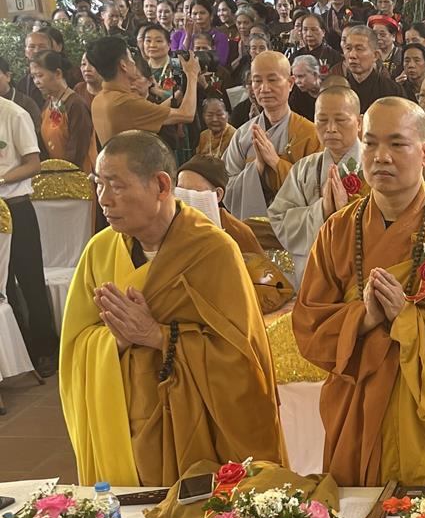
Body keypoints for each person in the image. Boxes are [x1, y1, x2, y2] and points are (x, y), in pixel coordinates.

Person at [292, 97, 425, 486]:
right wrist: (364, 318)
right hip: (359, 411)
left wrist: (406, 319)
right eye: (370, 143)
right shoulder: (338, 230)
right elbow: (310, 326)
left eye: (397, 144)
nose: (381, 156)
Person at [61, 131, 284, 486]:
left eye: (116, 186)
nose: (103, 199)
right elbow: (74, 348)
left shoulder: (212, 251)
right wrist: (116, 341)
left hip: (195, 436)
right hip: (125, 425)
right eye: (98, 184)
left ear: (162, 186)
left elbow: (242, 360)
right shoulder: (98, 252)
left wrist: (157, 335)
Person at [176, 155, 294, 312]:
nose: (185, 199)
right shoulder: (170, 229)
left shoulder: (237, 231)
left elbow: (260, 282)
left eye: (195, 192)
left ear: (218, 194)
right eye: (180, 191)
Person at [268, 86, 364, 278]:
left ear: (359, 122)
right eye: (322, 120)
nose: (330, 128)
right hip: (314, 272)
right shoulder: (304, 168)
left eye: (340, 120)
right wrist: (322, 210)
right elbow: (279, 219)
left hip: (363, 273)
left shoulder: (375, 166)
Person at [222, 51, 321, 221]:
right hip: (252, 230)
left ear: (290, 83)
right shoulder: (242, 135)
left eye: (272, 80)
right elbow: (225, 186)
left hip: (295, 229)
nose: (264, 88)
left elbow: (316, 190)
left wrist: (276, 162)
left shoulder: (310, 134)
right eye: (257, 81)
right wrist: (257, 167)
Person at [0, 95, 56, 378]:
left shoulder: (14, 114)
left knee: (30, 280)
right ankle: (19, 352)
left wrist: (1, 179)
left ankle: (45, 349)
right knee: (4, 286)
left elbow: (34, 164)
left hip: (16, 208)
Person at [87, 35, 200, 146]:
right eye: (130, 57)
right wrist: (192, 74)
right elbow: (187, 115)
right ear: (123, 65)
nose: (133, 62)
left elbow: (153, 111)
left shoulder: (99, 99)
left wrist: (179, 93)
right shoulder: (125, 102)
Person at [29, 51, 95, 173]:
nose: (36, 81)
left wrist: (61, 173)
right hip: (55, 173)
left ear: (58, 73)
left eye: (40, 75)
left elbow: (77, 150)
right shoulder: (49, 102)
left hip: (75, 175)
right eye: (33, 77)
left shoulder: (76, 105)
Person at [341, 25, 401, 112]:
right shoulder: (338, 90)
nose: (352, 55)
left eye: (359, 49)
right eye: (348, 48)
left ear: (375, 55)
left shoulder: (392, 90)